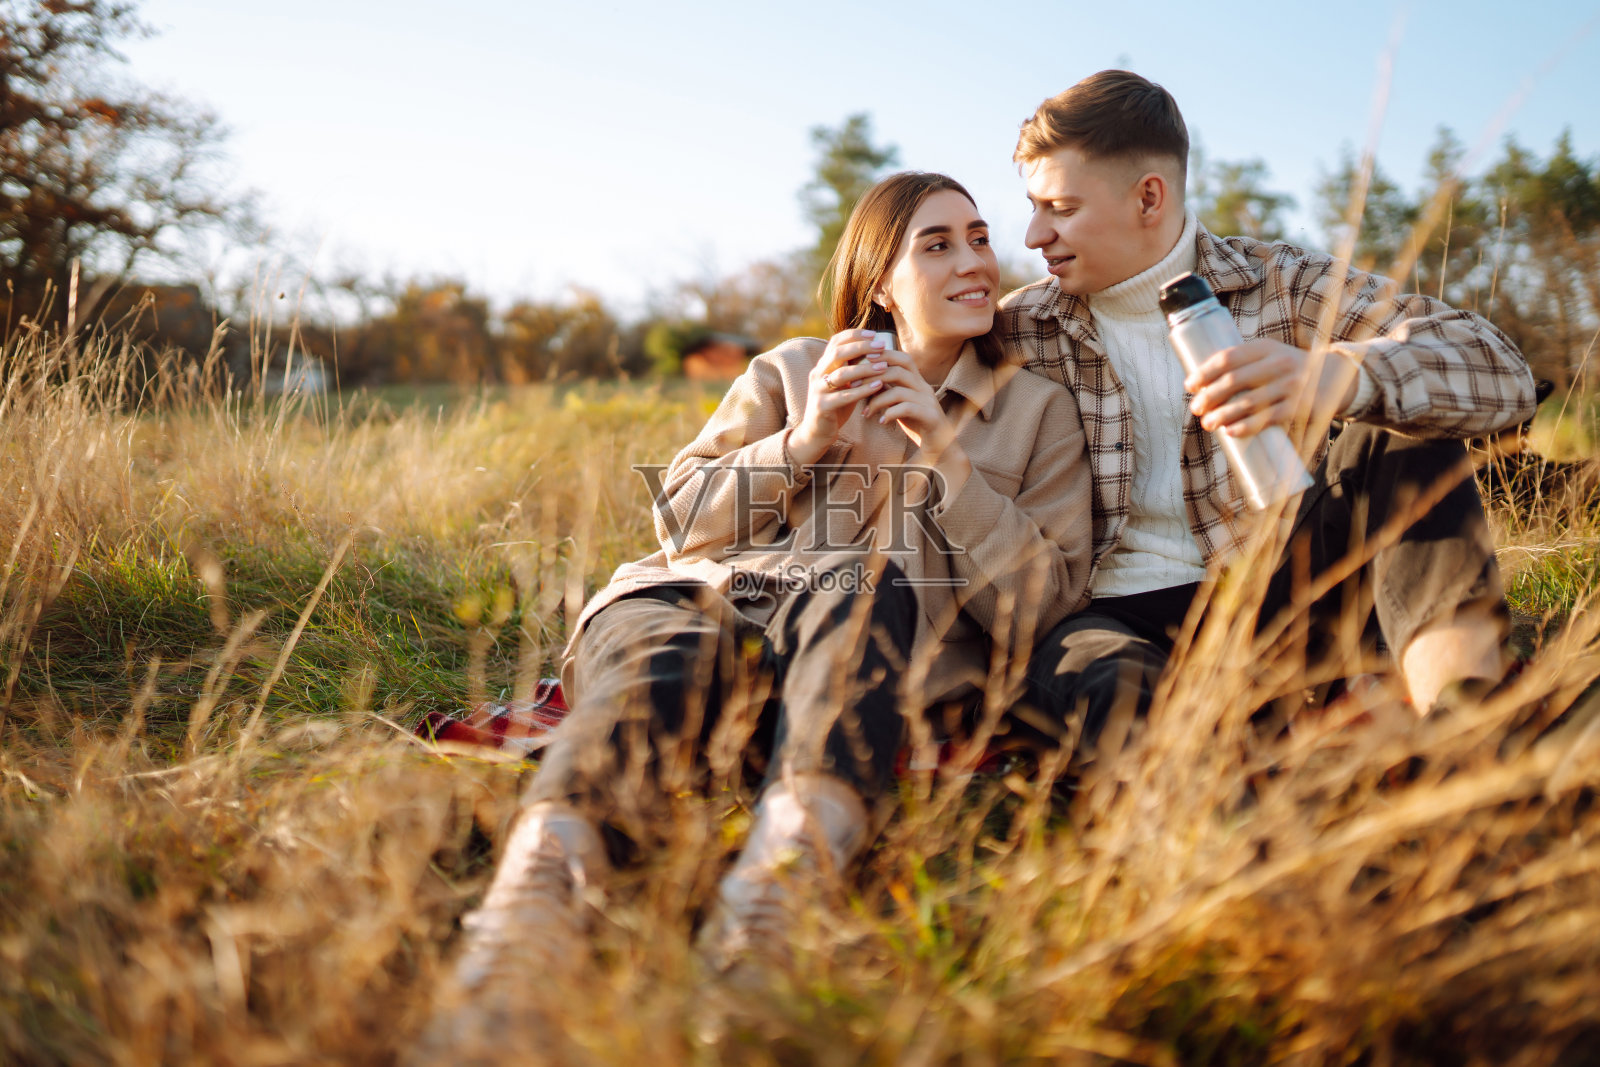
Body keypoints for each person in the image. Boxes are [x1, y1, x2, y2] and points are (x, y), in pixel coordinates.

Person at [421, 172, 1093, 1051]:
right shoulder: (792, 368)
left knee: (864, 583)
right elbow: (676, 517)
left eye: (977, 237)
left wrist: (944, 458)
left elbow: (1038, 606)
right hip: (701, 602)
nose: (975, 260)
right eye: (937, 244)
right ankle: (523, 928)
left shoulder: (1036, 410)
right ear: (880, 280)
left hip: (860, 650)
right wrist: (804, 439)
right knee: (668, 656)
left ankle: (766, 915)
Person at [997, 70, 1538, 760]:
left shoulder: (1280, 279)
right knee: (1109, 682)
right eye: (1034, 207)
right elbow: (903, 364)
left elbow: (1502, 369)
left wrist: (1336, 374)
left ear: (1149, 198)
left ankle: (1465, 730)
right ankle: (1227, 787)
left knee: (1402, 425)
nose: (1036, 233)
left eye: (1061, 208)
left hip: (1280, 586)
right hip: (1114, 618)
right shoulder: (1020, 329)